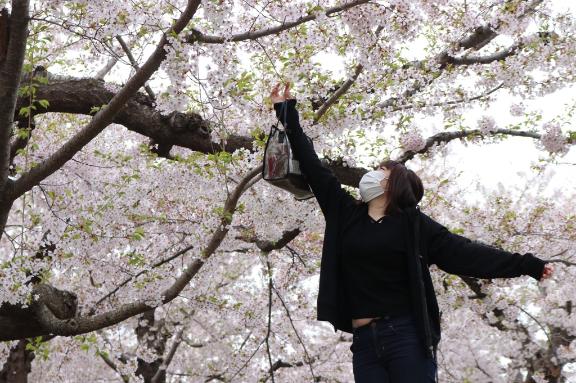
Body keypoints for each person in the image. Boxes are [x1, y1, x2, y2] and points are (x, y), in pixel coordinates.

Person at [269, 82, 554, 383]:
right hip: (364, 343)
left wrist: (527, 264)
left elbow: (466, 254)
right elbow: (315, 169)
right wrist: (286, 111)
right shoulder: (346, 214)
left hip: (405, 336)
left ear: (392, 185)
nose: (371, 174)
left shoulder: (414, 225)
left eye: (381, 171)